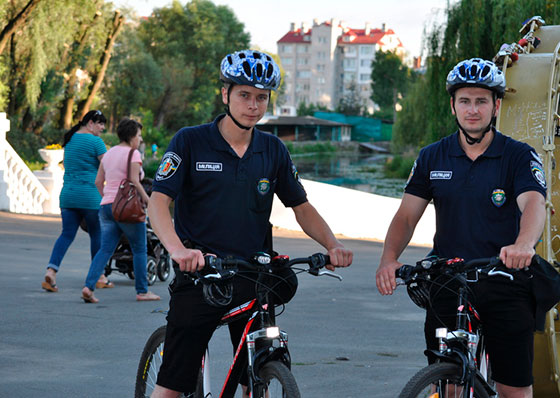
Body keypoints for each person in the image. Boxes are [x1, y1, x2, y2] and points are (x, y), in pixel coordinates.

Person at [147, 49, 353, 397]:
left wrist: (331, 245)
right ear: (225, 94)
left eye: (261, 97)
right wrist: (178, 250)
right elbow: (158, 202)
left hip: (253, 275)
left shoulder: (273, 150)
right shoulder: (191, 141)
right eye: (244, 95)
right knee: (171, 386)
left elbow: (300, 206)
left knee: (259, 374)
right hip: (202, 274)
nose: (253, 105)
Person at [375, 58, 547, 398]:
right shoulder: (431, 157)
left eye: (481, 101)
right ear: (453, 105)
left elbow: (533, 204)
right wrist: (389, 258)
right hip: (448, 278)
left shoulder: (519, 156)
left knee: (513, 389)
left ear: (496, 106)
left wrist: (524, 245)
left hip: (504, 277)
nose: (473, 109)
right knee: (449, 384)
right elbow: (407, 215)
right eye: (464, 101)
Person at [81, 118, 160, 303]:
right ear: (132, 136)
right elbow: (134, 179)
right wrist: (148, 200)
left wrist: (108, 198)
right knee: (140, 249)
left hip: (107, 206)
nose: (140, 140)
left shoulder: (108, 154)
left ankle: (88, 286)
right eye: (139, 136)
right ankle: (142, 291)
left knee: (105, 249)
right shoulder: (133, 154)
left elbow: (98, 182)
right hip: (128, 208)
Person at [42, 110, 114, 292]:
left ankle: (51, 271)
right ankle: (99, 276)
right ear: (90, 123)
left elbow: (67, 164)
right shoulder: (96, 142)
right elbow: (108, 167)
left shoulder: (71, 139)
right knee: (97, 235)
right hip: (90, 197)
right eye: (100, 124)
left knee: (66, 234)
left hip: (68, 195)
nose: (102, 128)